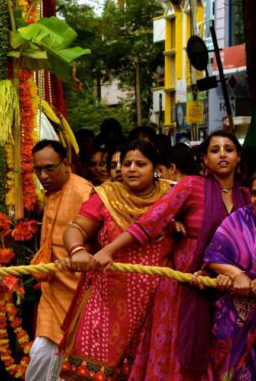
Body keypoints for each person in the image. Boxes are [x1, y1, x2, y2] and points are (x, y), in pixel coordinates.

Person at [89, 129, 250, 380]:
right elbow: (148, 223)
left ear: (238, 157)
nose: (222, 155)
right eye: (214, 150)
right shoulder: (191, 186)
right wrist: (109, 250)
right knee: (176, 359)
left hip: (229, 290)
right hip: (184, 286)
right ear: (204, 159)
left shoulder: (248, 197)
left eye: (228, 149)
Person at [57, 140, 174, 380]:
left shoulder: (174, 197)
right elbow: (75, 229)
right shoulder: (107, 195)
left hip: (156, 304)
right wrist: (77, 250)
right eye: (126, 163)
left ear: (156, 169)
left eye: (140, 164)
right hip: (106, 301)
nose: (131, 168)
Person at [204, 169, 256, 380]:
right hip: (234, 313)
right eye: (255, 193)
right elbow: (213, 256)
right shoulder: (237, 220)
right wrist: (237, 275)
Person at [25, 139, 94, 381]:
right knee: (41, 354)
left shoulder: (83, 192)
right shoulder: (52, 192)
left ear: (66, 164)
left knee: (73, 364)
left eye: (49, 168)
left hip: (77, 293)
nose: (43, 175)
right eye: (38, 170)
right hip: (52, 290)